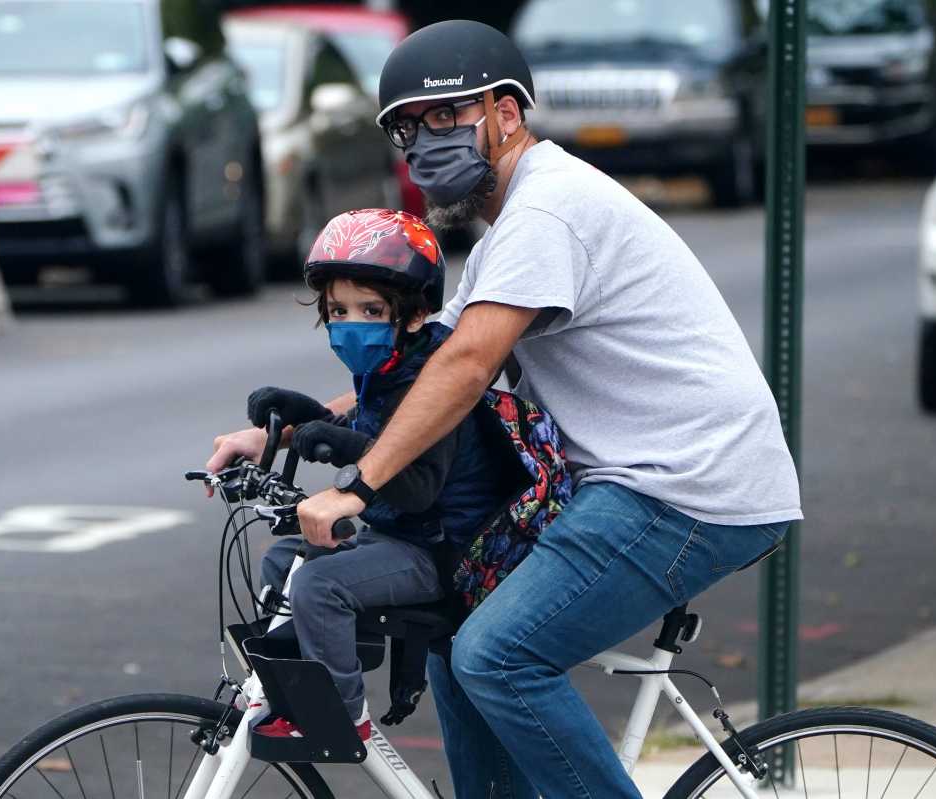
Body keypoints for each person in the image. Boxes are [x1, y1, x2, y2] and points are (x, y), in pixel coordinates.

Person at [272, 19, 804, 799]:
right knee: (455, 633)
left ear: (507, 115)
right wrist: (275, 434)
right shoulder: (511, 233)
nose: (425, 143)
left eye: (446, 117)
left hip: (686, 487)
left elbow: (466, 364)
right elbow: (418, 375)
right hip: (638, 482)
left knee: (497, 653)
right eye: (408, 130)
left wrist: (359, 486)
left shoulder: (546, 213)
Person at [243, 208, 511, 746]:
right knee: (284, 562)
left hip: (442, 552)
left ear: (412, 316)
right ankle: (301, 688)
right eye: (338, 310)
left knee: (319, 584)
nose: (350, 323)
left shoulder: (433, 378)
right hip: (397, 537)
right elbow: (370, 429)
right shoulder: (385, 368)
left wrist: (340, 446)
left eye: (370, 309)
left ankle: (339, 717)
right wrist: (307, 418)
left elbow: (416, 489)